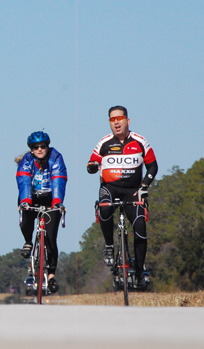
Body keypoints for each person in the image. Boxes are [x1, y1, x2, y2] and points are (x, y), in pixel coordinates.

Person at [86, 106, 158, 289]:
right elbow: (91, 163)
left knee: (140, 227)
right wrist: (93, 166)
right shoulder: (104, 142)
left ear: (128, 121)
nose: (116, 122)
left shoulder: (140, 141)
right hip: (110, 188)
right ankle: (109, 245)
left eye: (120, 118)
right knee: (104, 206)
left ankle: (140, 271)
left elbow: (153, 166)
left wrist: (144, 187)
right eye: (112, 120)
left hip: (133, 190)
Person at [16, 131, 67, 294]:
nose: (39, 149)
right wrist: (25, 202)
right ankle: (28, 242)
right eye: (35, 147)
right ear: (31, 150)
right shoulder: (26, 161)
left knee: (51, 238)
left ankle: (51, 275)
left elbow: (59, 179)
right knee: (25, 214)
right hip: (31, 196)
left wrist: (57, 202)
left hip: (51, 197)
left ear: (47, 146)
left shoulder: (56, 157)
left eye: (43, 146)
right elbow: (23, 181)